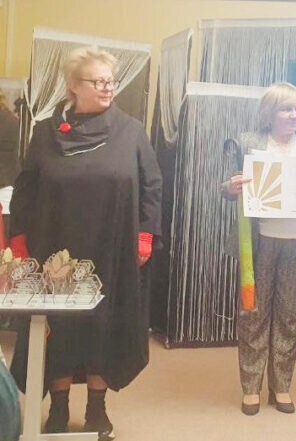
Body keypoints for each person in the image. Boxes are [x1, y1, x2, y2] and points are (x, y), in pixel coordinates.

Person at [9, 46, 162, 440]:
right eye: (98, 81)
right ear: (74, 86)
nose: (108, 88)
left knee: (103, 326)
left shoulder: (131, 131)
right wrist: (19, 240)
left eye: (111, 81)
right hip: (56, 249)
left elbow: (152, 187)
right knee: (59, 328)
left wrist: (145, 236)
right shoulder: (46, 132)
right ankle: (58, 406)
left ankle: (97, 407)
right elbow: (26, 188)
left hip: (113, 246)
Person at [222, 82, 296, 416]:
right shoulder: (248, 142)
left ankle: (281, 386)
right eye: (286, 109)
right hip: (260, 242)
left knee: (290, 317)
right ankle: (251, 388)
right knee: (253, 316)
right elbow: (226, 187)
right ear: (269, 113)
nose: (294, 115)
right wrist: (231, 186)